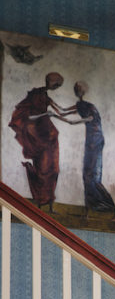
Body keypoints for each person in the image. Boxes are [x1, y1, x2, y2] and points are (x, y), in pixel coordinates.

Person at [8, 72, 68, 211]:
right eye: (56, 83)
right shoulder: (35, 94)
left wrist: (75, 118)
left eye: (58, 84)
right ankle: (42, 203)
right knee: (43, 169)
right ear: (49, 81)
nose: (56, 86)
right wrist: (45, 114)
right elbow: (29, 117)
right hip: (38, 135)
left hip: (50, 136)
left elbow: (61, 111)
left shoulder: (46, 96)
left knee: (54, 169)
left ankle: (51, 204)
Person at [62, 81, 115, 217]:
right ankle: (87, 212)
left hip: (96, 141)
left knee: (93, 177)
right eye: (76, 88)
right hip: (89, 142)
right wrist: (53, 113)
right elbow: (64, 112)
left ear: (84, 90)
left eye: (79, 88)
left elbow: (90, 118)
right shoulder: (80, 105)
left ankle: (113, 210)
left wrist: (73, 122)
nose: (77, 90)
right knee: (86, 176)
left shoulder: (90, 106)